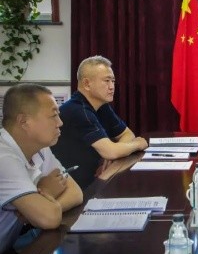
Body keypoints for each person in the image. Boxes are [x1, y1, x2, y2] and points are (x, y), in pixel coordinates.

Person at [0, 84, 83, 254]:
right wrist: (45, 193)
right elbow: (49, 219)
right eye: (53, 116)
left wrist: (44, 204)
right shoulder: (4, 157)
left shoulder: (39, 147)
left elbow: (76, 193)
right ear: (24, 122)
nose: (60, 123)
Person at [51, 55, 148, 189]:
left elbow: (127, 134)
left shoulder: (101, 106)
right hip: (71, 186)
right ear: (87, 84)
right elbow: (112, 151)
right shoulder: (78, 110)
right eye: (106, 81)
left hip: (94, 179)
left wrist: (113, 153)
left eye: (113, 81)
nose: (112, 87)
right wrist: (138, 144)